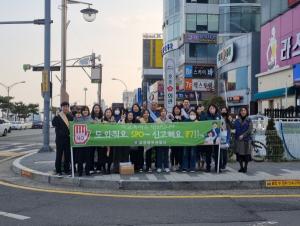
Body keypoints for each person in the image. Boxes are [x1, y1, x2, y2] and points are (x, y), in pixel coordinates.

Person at [52, 102, 73, 176]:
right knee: (59, 155)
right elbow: (53, 123)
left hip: (68, 139)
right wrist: (56, 115)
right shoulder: (58, 116)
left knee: (67, 155)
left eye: (67, 106)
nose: (65, 108)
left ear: (68, 107)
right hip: (60, 140)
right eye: (64, 106)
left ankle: (67, 170)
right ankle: (58, 170)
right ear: (61, 107)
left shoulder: (70, 116)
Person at [234, 107, 253, 173]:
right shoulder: (237, 120)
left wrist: (243, 135)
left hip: (246, 140)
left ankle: (245, 167)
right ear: (240, 112)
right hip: (238, 140)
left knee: (246, 154)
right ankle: (241, 167)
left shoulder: (249, 120)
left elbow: (250, 130)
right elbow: (234, 127)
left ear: (246, 111)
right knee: (239, 155)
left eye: (244, 110)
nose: (243, 111)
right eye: (241, 110)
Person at [74, 106, 92, 176]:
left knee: (88, 158)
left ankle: (87, 171)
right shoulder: (78, 118)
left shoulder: (91, 119)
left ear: (88, 111)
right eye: (84, 110)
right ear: (82, 111)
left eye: (86, 110)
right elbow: (73, 125)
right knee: (80, 158)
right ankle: (80, 171)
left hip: (88, 141)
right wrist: (75, 118)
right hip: (80, 142)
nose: (85, 111)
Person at [203, 104, 221, 172]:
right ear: (208, 109)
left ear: (215, 109)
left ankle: (217, 167)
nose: (212, 109)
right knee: (208, 153)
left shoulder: (219, 116)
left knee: (217, 153)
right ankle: (208, 167)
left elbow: (222, 125)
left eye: (213, 108)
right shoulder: (206, 116)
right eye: (210, 108)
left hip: (217, 138)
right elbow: (203, 126)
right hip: (209, 137)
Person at [155, 108, 172, 173]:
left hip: (166, 139)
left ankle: (166, 167)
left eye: (164, 111)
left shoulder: (169, 121)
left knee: (166, 154)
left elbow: (171, 129)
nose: (163, 112)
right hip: (159, 139)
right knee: (159, 154)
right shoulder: (156, 120)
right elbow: (154, 129)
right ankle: (159, 167)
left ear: (166, 112)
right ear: (160, 113)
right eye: (162, 111)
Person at [101, 108, 115, 174]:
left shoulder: (114, 121)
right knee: (103, 155)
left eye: (109, 112)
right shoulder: (101, 120)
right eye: (107, 112)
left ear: (111, 113)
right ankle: (104, 168)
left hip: (111, 141)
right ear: (105, 113)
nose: (108, 113)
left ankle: (109, 168)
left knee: (110, 156)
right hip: (103, 141)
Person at [90, 104, 104, 174]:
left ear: (100, 109)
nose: (96, 109)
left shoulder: (102, 117)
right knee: (91, 153)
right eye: (95, 108)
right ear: (93, 109)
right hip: (92, 137)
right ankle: (91, 167)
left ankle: (99, 167)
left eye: (98, 108)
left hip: (100, 137)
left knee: (100, 153)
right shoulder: (90, 117)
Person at [170, 104, 183, 171]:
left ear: (180, 110)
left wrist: (181, 119)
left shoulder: (183, 117)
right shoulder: (171, 117)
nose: (177, 110)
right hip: (173, 138)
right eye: (175, 109)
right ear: (173, 110)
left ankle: (178, 164)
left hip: (181, 138)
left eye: (178, 109)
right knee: (173, 152)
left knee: (179, 152)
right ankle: (172, 165)